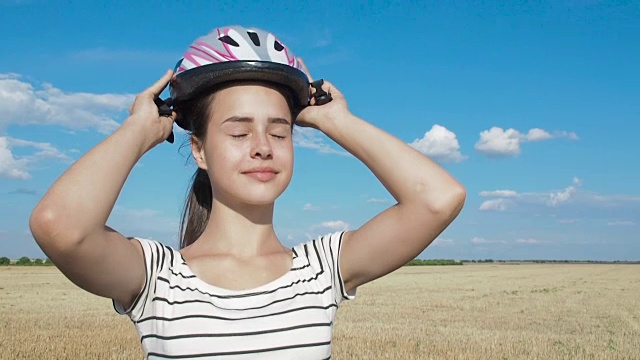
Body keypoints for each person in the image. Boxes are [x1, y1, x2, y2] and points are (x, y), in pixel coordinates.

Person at [29, 25, 466, 359]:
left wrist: (337, 121)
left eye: (280, 133)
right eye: (238, 132)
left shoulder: (320, 269)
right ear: (198, 149)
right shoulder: (158, 278)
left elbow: (438, 198)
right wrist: (140, 129)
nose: (262, 147)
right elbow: (60, 226)